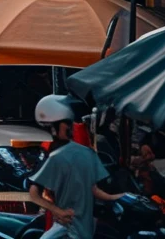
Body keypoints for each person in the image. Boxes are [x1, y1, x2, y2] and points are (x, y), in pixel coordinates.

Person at [27, 95, 122, 239]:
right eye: (67, 125)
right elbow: (34, 193)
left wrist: (120, 197)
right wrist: (57, 211)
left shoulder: (83, 151)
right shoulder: (52, 155)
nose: (71, 128)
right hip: (64, 224)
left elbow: (93, 188)